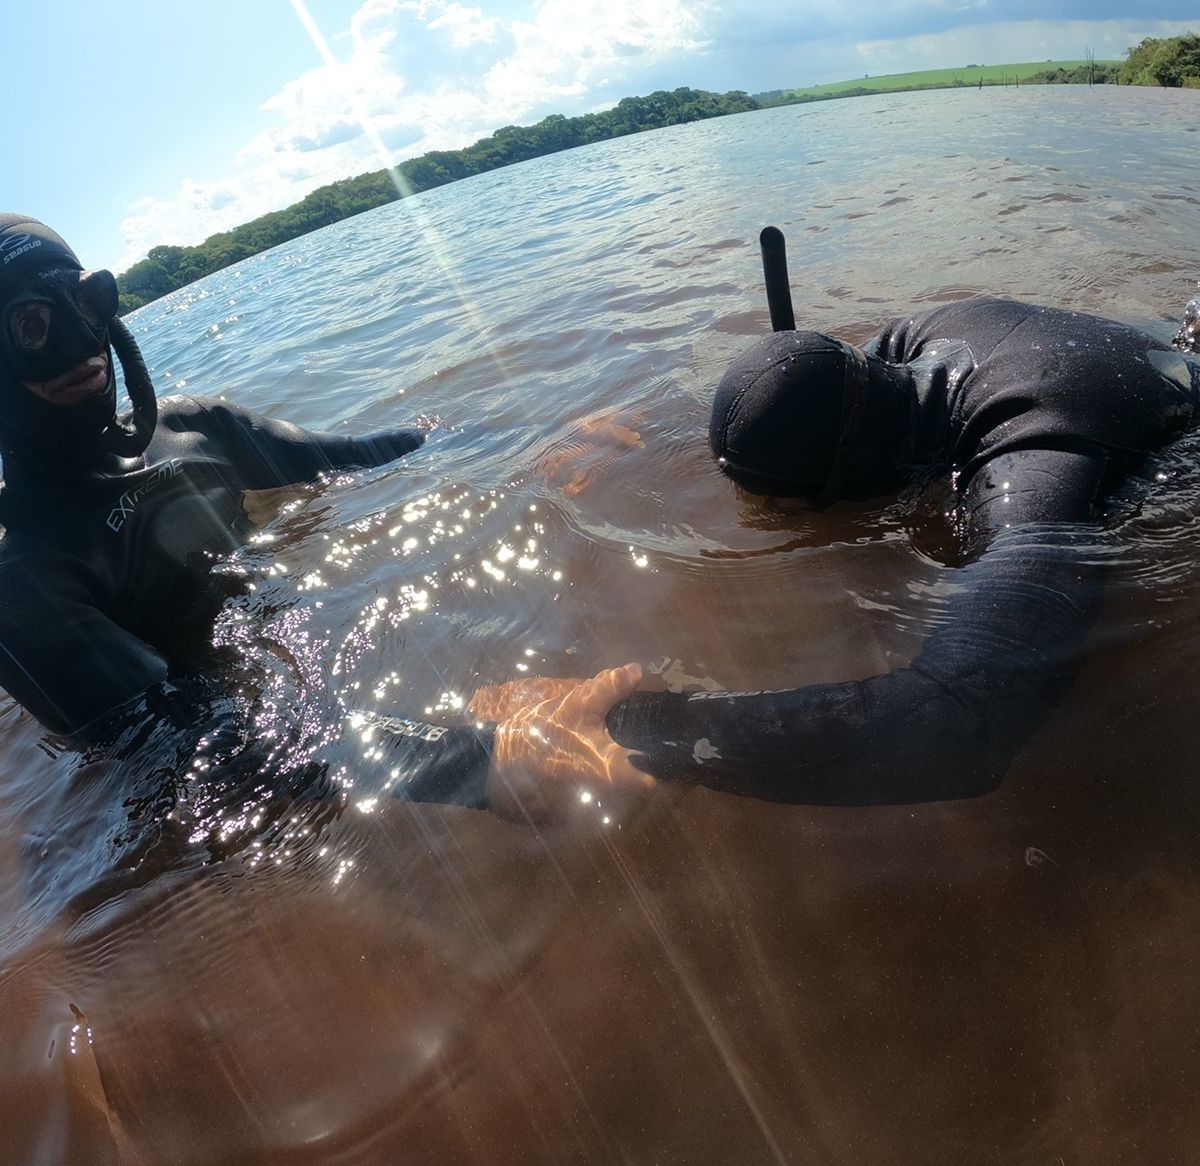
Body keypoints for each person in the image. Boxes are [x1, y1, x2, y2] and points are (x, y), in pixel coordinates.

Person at [478, 246, 1200, 806]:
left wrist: (638, 731)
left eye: (778, 512)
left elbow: (965, 723)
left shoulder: (1032, 465)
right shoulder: (916, 343)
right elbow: (796, 378)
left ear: (840, 491)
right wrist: (622, 429)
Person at [0, 214, 648, 821]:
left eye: (84, 302)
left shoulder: (197, 429)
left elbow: (366, 453)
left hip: (303, 648)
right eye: (31, 324)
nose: (76, 341)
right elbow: (190, 744)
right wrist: (482, 764)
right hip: (238, 737)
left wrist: (536, 438)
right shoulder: (22, 581)